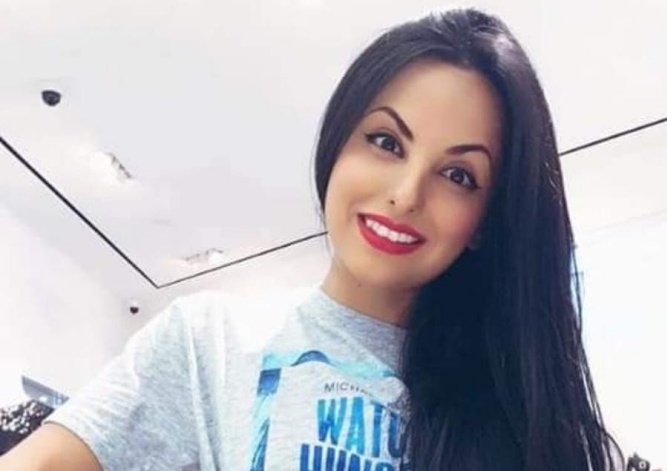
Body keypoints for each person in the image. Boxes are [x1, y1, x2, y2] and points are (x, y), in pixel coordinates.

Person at [0, 7, 621, 471]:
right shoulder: (207, 341)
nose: (406, 193)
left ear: (486, 219)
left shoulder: (518, 407)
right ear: (339, 143)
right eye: (386, 142)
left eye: (458, 175)